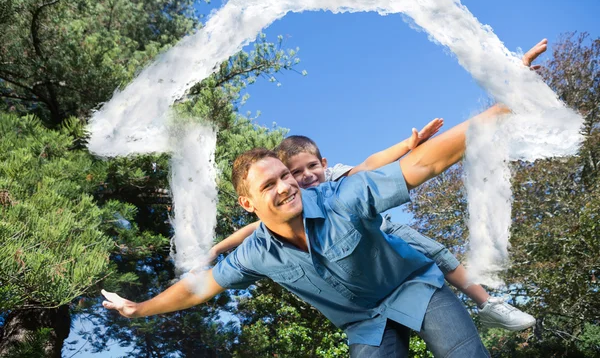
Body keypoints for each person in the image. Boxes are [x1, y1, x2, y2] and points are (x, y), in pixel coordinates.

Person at [102, 41, 547, 357]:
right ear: (248, 204)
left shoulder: (342, 197)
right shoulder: (255, 253)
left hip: (415, 288)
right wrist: (140, 308)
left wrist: (505, 106)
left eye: (286, 176)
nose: (286, 186)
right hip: (364, 324)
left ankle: (484, 307)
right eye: (270, 185)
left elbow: (426, 163)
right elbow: (196, 289)